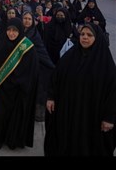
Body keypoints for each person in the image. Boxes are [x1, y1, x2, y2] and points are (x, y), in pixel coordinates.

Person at [44, 23, 116, 156]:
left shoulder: (106, 64)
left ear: (97, 38)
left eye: (89, 35)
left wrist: (109, 118)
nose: (85, 38)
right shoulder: (70, 56)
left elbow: (113, 93)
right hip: (67, 113)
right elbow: (55, 78)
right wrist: (50, 97)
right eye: (82, 34)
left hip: (91, 117)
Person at [0, 18, 39, 150]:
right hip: (0, 87)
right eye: (9, 30)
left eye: (15, 31)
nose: (11, 33)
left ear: (20, 31)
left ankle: (8, 139)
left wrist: (14, 79)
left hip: (16, 89)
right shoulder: (1, 41)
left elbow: (31, 70)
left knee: (10, 116)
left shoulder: (27, 47)